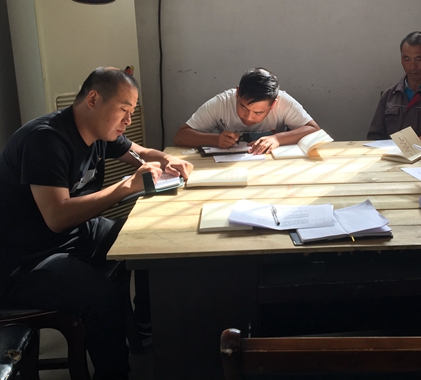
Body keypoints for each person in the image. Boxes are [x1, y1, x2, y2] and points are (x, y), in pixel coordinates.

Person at [0, 67, 193, 380]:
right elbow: (57, 217)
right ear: (93, 99)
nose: (128, 120)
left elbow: (139, 152)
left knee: (147, 240)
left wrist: (165, 159)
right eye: (124, 110)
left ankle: (145, 327)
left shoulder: (101, 132)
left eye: (132, 113)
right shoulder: (46, 139)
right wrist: (126, 186)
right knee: (101, 299)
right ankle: (114, 374)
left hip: (73, 234)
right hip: (25, 259)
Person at [174, 67, 320, 154]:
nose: (249, 117)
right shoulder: (221, 102)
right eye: (243, 107)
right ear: (237, 93)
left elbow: (314, 130)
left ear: (273, 104)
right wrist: (215, 140)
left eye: (258, 113)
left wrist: (278, 138)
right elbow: (181, 136)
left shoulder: (283, 102)